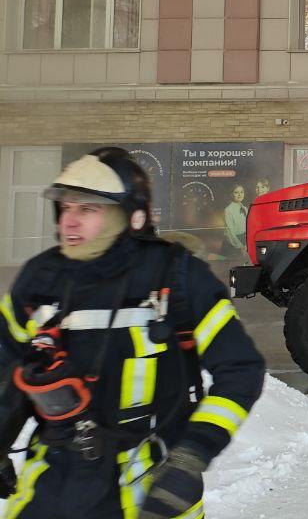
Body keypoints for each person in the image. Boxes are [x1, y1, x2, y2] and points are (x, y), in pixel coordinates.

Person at [0, 147, 265, 518]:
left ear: (132, 217)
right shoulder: (40, 279)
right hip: (53, 485)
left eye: (88, 209)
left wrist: (190, 460)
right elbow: (6, 365)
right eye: (66, 207)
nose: (69, 222)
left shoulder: (177, 276)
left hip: (151, 488)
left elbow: (241, 369)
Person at [222, 185, 248, 260]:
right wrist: (240, 247)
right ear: (231, 194)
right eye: (236, 192)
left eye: (241, 192)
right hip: (234, 243)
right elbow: (230, 232)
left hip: (245, 240)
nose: (239, 194)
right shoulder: (228, 210)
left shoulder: (245, 208)